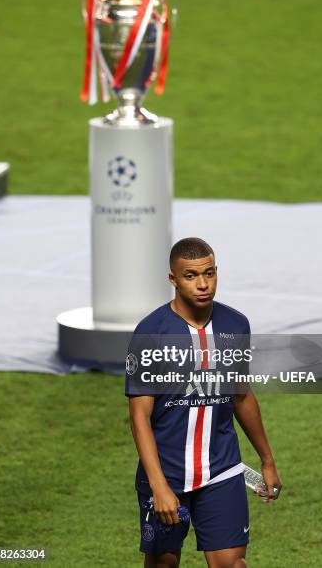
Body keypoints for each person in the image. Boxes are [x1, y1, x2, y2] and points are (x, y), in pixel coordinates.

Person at [125, 237, 282, 568]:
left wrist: (267, 460)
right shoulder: (150, 333)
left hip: (221, 469)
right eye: (191, 276)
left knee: (232, 564)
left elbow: (241, 395)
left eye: (209, 274)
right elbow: (139, 418)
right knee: (164, 563)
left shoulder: (235, 325)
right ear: (173, 279)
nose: (203, 284)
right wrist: (158, 486)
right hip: (167, 473)